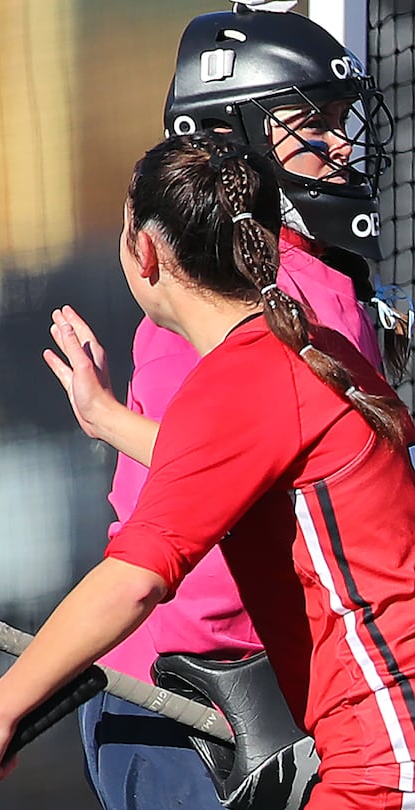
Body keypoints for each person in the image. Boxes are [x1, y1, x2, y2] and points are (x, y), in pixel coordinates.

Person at [0, 130, 415, 810]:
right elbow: (237, 468)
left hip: (389, 758)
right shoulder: (304, 345)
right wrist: (105, 419)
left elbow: (132, 582)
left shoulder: (244, 381)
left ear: (147, 252)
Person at [76, 6, 394, 809]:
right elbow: (223, 472)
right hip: (187, 697)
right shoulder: (242, 296)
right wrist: (112, 422)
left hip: (272, 679)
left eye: (339, 121)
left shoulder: (308, 280)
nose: (342, 145)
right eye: (310, 124)